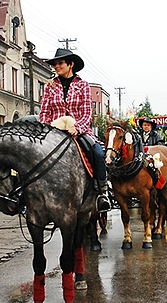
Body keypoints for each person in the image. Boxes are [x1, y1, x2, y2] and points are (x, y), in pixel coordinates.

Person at [39, 48, 110, 212]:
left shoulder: (83, 86)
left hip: (78, 131)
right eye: (55, 64)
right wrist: (48, 127)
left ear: (70, 64)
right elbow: (44, 112)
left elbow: (87, 114)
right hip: (53, 132)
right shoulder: (50, 86)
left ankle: (102, 193)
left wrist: (77, 128)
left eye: (60, 63)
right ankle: (27, 194)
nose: (56, 66)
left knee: (98, 152)